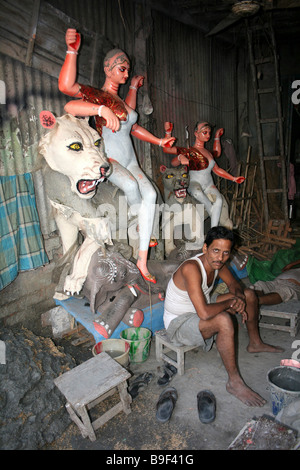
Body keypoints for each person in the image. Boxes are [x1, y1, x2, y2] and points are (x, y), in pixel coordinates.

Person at [58, 28, 175, 283]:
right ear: (108, 69)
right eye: (121, 68)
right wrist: (72, 51)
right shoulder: (99, 97)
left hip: (130, 158)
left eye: (127, 69)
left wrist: (158, 140)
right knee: (132, 187)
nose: (125, 72)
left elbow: (133, 126)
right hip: (110, 159)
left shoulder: (121, 103)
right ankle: (140, 225)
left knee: (152, 193)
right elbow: (67, 94)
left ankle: (143, 259)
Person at [163, 226, 283, 407]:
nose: (220, 257)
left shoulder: (218, 264)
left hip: (199, 306)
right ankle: (234, 383)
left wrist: (240, 298)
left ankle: (255, 343)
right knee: (224, 320)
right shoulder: (191, 268)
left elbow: (235, 284)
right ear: (205, 249)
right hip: (179, 322)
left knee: (249, 294)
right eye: (216, 251)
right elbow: (204, 313)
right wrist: (230, 303)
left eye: (226, 253)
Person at [163, 121, 245, 227]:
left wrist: (233, 178)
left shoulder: (209, 153)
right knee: (198, 194)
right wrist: (168, 132)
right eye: (204, 132)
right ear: (196, 133)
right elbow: (167, 150)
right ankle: (212, 213)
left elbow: (217, 166)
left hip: (209, 184)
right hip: (195, 183)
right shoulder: (190, 152)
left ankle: (214, 229)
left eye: (209, 133)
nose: (208, 135)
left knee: (219, 200)